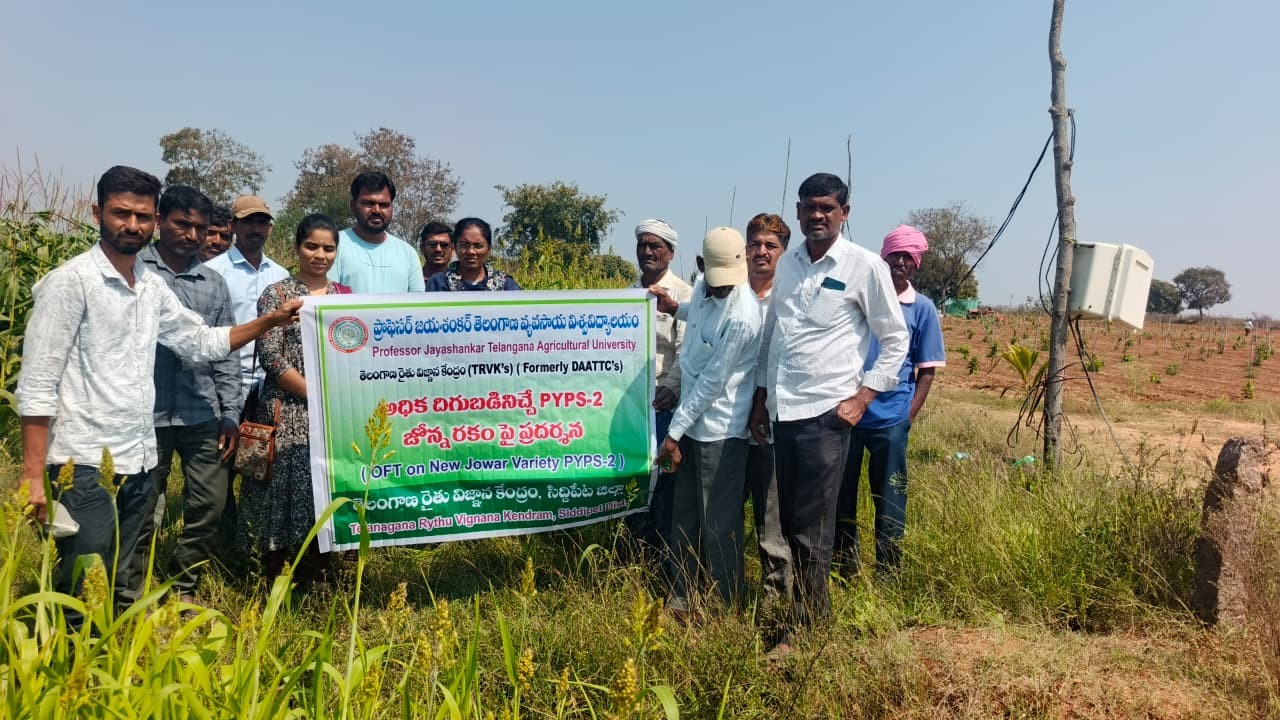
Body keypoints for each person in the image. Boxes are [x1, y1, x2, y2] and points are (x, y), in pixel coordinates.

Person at [16, 165, 301, 617]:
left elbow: (201, 340)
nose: (133, 225)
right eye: (121, 213)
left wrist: (269, 321)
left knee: (120, 572)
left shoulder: (150, 287)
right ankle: (74, 654)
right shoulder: (71, 283)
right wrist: (33, 474)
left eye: (142, 216)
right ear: (97, 213)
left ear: (152, 220)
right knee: (84, 579)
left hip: (139, 454)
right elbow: (37, 384)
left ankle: (121, 643)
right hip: (84, 457)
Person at [748, 173, 909, 651]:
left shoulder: (865, 266)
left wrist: (863, 398)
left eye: (827, 207)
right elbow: (773, 335)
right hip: (783, 412)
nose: (817, 215)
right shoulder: (790, 264)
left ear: (844, 212)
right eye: (809, 207)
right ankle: (811, 618)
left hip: (827, 415)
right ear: (797, 212)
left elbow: (895, 339)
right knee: (789, 523)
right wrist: (761, 399)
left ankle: (804, 631)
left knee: (812, 529)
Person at [133, 185, 244, 605]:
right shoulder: (135, 271)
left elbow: (226, 352)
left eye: (200, 227)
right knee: (141, 508)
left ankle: (183, 585)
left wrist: (230, 413)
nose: (192, 235)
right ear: (160, 221)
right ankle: (135, 590)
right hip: (146, 413)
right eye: (182, 224)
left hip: (202, 412)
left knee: (210, 505)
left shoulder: (213, 284)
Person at [652, 228, 763, 619]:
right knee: (684, 517)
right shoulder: (703, 286)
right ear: (701, 266)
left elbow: (712, 384)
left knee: (719, 524)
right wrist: (674, 308)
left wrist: (673, 433)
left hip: (720, 429)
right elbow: (699, 319)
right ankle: (681, 596)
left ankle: (723, 606)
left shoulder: (744, 315)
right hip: (689, 426)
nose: (722, 289)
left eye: (728, 283)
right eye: (715, 282)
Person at [239, 214, 351, 581]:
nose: (320, 255)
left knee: (324, 488)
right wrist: (316, 394)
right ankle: (271, 576)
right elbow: (272, 358)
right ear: (297, 247)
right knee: (279, 490)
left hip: (332, 410)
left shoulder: (345, 297)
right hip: (285, 408)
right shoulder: (277, 295)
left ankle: (318, 575)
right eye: (311, 246)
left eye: (328, 248)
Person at [834, 225, 946, 576]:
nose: (900, 262)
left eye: (908, 257)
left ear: (916, 264)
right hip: (848, 415)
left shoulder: (922, 308)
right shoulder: (861, 297)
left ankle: (888, 571)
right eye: (895, 255)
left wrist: (906, 417)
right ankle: (844, 567)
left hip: (891, 419)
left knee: (890, 496)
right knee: (840, 493)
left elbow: (927, 371)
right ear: (883, 258)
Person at [627, 219, 693, 554]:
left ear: (670, 253)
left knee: (665, 479)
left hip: (664, 404)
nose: (648, 252)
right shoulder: (628, 294)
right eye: (643, 245)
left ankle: (663, 552)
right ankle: (633, 549)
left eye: (656, 246)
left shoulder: (683, 294)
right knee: (633, 478)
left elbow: (687, 350)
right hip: (630, 405)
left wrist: (672, 387)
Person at [742, 213, 793, 605]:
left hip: (769, 427)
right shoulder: (727, 292)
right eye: (755, 244)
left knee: (771, 521)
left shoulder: (789, 298)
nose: (762, 251)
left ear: (783, 252)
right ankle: (721, 591)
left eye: (770, 245)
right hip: (724, 424)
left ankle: (775, 601)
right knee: (721, 516)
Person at [203, 195, 291, 399]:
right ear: (232, 226)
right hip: (225, 381)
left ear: (270, 229)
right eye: (248, 222)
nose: (256, 229)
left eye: (262, 223)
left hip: (270, 381)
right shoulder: (213, 272)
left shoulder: (280, 275)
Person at [328, 171, 425, 293]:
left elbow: (418, 302)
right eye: (369, 203)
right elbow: (326, 297)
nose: (377, 210)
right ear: (353, 205)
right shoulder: (333, 246)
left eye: (384, 205)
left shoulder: (408, 253)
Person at [424, 218, 520, 291]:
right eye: (464, 245)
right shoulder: (439, 283)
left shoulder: (506, 285)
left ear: (489, 249)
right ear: (455, 248)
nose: (471, 251)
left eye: (478, 246)